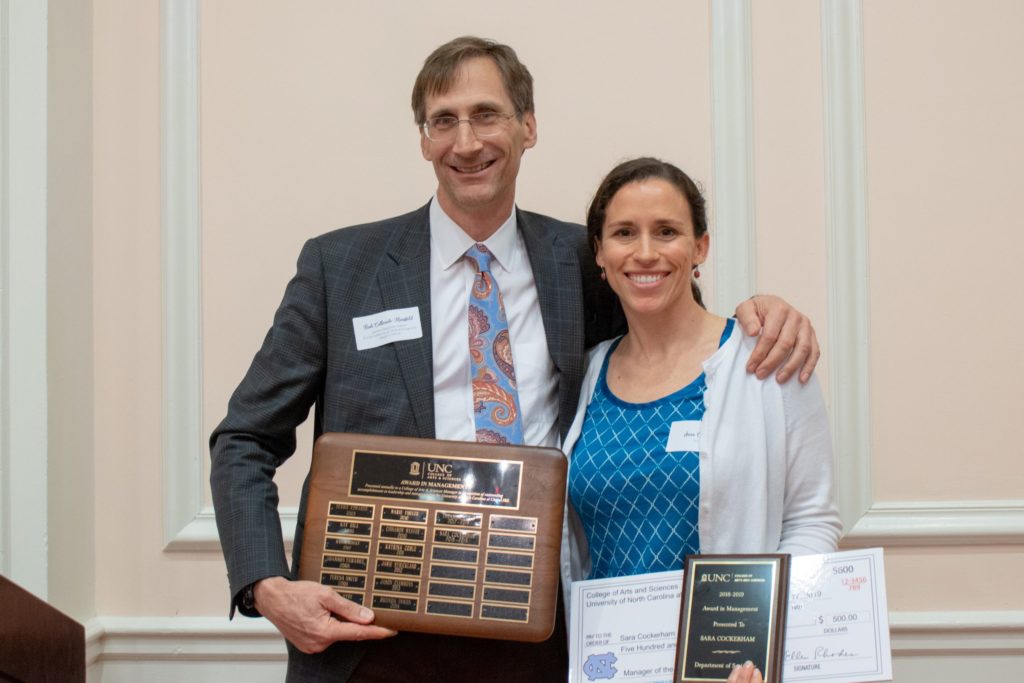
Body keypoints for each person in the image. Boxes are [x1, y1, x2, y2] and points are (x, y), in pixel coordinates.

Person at [210, 38, 820, 683]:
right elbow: (246, 437)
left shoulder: (584, 263)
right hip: (371, 636)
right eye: (444, 121)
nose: (466, 142)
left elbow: (676, 321)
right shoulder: (341, 270)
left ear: (528, 127)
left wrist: (760, 311)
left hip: (540, 640)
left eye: (486, 114)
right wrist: (265, 584)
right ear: (423, 140)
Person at [560, 157, 841, 612]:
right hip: (607, 664)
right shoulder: (585, 374)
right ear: (599, 252)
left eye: (667, 231)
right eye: (624, 232)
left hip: (728, 665)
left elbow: (812, 522)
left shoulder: (767, 358)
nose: (646, 252)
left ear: (700, 248)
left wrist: (755, 641)